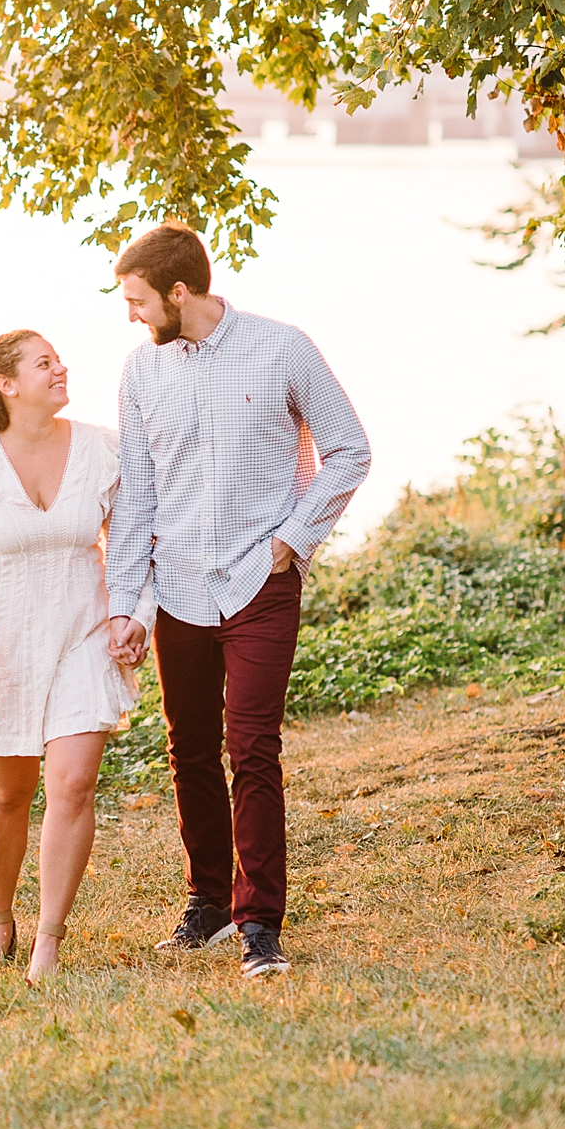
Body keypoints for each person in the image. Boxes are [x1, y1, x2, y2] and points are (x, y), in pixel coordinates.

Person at [104, 222, 371, 981]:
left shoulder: (282, 348)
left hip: (261, 583)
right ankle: (211, 904)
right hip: (179, 589)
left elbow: (350, 446)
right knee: (188, 750)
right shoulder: (140, 374)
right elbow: (137, 497)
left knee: (252, 749)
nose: (131, 315)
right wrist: (127, 601)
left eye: (137, 300)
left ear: (179, 293)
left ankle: (261, 926)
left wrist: (296, 535)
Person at [0, 329, 156, 986]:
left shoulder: (101, 449)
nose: (61, 368)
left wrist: (133, 615)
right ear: (7, 384)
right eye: (44, 364)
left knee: (72, 785)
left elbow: (136, 543)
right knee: (7, 794)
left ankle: (48, 940)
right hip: (5, 648)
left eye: (59, 359)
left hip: (85, 635)